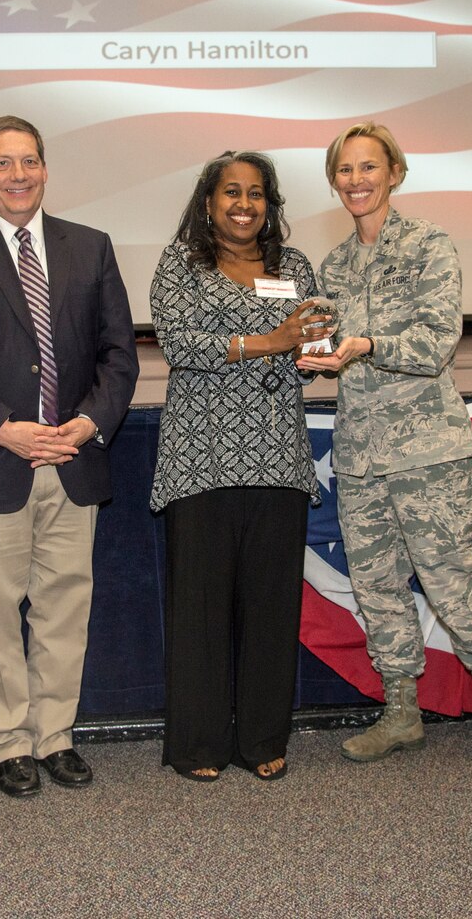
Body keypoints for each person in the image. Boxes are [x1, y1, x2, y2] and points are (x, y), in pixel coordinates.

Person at [0, 115, 139, 798]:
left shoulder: (89, 247)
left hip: (71, 463)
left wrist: (89, 423)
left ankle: (55, 736)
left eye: (29, 162)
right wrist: (2, 428)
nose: (18, 175)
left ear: (45, 168)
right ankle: (9, 741)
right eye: (3, 164)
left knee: (64, 608)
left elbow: (119, 356)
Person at [297, 122, 472, 771]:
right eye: (344, 171)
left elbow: (436, 343)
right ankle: (402, 710)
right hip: (361, 454)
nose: (356, 181)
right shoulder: (334, 266)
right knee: (376, 587)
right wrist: (306, 355)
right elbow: (325, 350)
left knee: (452, 581)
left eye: (368, 168)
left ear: (395, 173)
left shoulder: (429, 246)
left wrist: (366, 345)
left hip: (428, 452)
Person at [149, 151, 333, 783]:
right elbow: (179, 343)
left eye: (256, 194)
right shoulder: (182, 264)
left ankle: (261, 737)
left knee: (270, 606)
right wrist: (269, 341)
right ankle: (197, 743)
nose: (244, 205)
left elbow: (313, 340)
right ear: (208, 202)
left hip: (278, 456)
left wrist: (319, 346)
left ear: (269, 205)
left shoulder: (295, 265)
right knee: (199, 608)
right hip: (201, 459)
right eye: (231, 192)